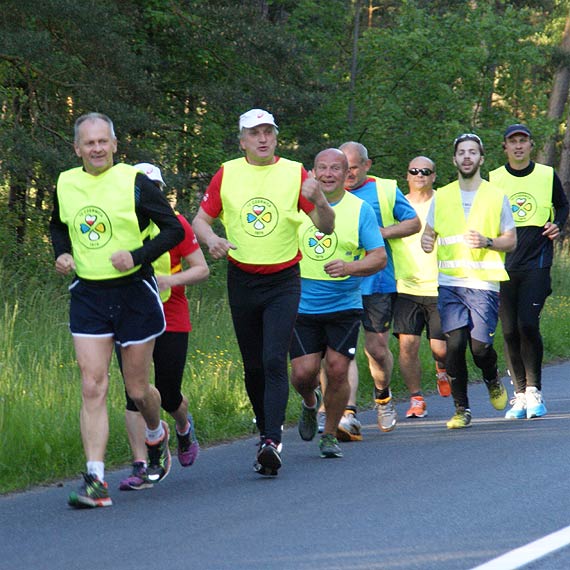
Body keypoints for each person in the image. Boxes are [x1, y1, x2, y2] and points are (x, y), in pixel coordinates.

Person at [49, 113, 185, 507]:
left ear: (113, 145)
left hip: (134, 294)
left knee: (137, 389)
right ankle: (95, 480)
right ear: (77, 149)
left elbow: (173, 229)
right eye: (88, 143)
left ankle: (156, 433)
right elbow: (57, 225)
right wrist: (61, 252)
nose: (96, 148)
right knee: (92, 384)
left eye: (102, 142)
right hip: (89, 294)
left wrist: (138, 255)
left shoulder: (135, 183)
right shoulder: (65, 183)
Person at [192, 109, 334, 476]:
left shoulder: (294, 172)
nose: (262, 138)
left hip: (283, 279)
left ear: (276, 137)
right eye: (254, 133)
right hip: (241, 279)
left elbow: (326, 227)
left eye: (268, 131)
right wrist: (211, 240)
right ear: (242, 141)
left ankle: (271, 440)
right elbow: (200, 221)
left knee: (274, 359)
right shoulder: (228, 173)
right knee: (253, 365)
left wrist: (320, 200)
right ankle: (264, 431)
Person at [290, 148, 386, 458]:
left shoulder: (361, 210)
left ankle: (330, 434)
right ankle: (309, 402)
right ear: (313, 172)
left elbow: (379, 257)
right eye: (322, 168)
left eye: (336, 168)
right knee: (303, 374)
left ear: (348, 175)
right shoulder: (296, 206)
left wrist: (349, 267)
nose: (329, 174)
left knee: (336, 370)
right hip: (302, 304)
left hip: (344, 303)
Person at [118, 163, 209, 491]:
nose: (149, 193)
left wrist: (170, 279)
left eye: (155, 187)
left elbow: (202, 270)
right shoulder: (120, 225)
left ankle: (183, 427)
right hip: (130, 315)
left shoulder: (177, 225)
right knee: (134, 393)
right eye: (144, 188)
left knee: (168, 394)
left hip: (171, 316)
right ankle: (142, 463)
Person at [421, 133, 516, 429]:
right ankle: (461, 409)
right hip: (450, 283)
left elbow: (510, 241)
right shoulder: (443, 195)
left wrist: (488, 241)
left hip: (484, 284)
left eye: (472, 152)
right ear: (454, 160)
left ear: (481, 159)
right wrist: (426, 239)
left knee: (480, 349)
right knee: (455, 345)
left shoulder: (495, 195)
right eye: (461, 152)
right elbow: (430, 231)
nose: (466, 157)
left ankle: (492, 378)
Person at [333, 141, 421, 435]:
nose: (347, 173)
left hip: (378, 281)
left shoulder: (383, 189)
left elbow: (413, 222)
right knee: (341, 350)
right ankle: (347, 413)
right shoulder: (328, 191)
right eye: (343, 167)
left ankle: (383, 397)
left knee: (376, 350)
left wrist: (383, 232)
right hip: (339, 282)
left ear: (367, 165)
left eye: (354, 167)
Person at [489, 124, 569, 419]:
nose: (518, 146)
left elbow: (562, 206)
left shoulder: (547, 174)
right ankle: (520, 394)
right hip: (503, 262)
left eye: (523, 141)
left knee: (527, 324)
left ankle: (535, 390)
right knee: (509, 330)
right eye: (513, 142)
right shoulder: (494, 178)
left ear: (530, 145)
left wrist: (557, 224)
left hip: (537, 260)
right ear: (505, 147)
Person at [393, 156, 450, 420]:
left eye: (426, 171)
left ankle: (442, 369)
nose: (419, 175)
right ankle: (417, 399)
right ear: (407, 175)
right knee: (408, 346)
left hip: (439, 285)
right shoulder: (397, 204)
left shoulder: (444, 201)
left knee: (441, 349)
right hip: (405, 285)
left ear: (434, 176)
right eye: (414, 170)